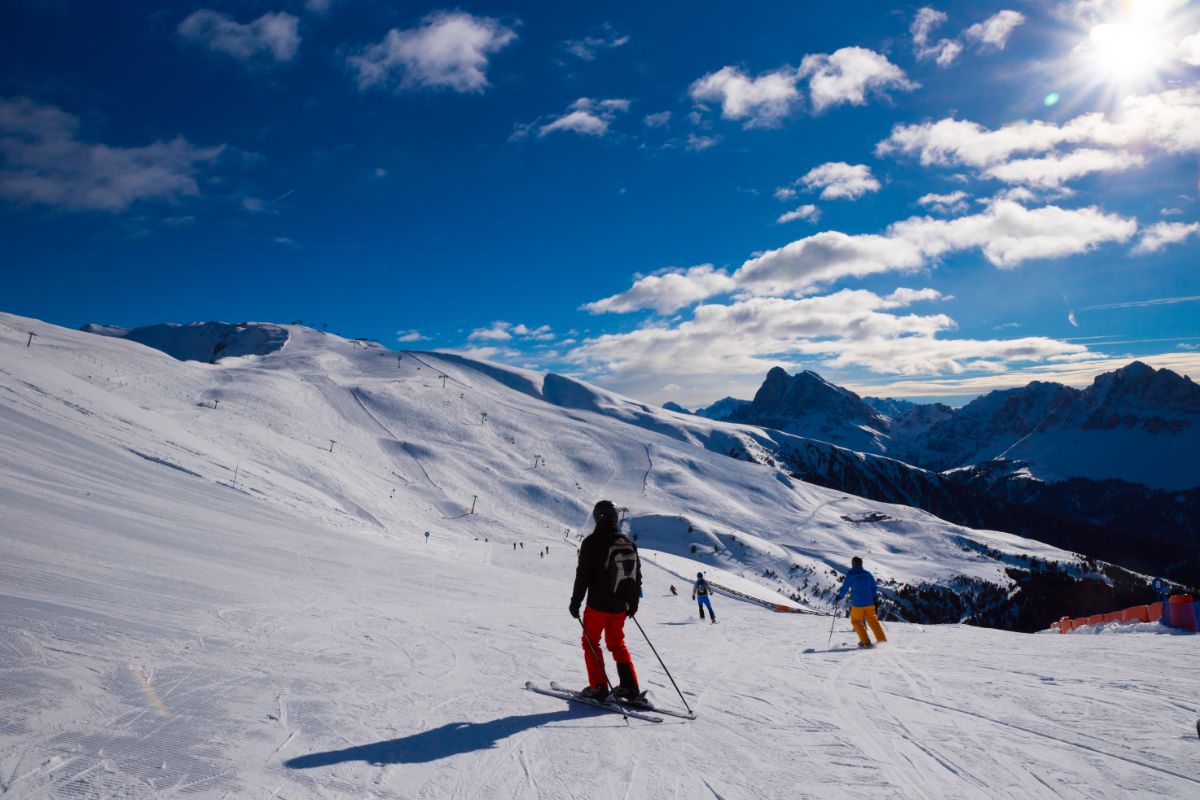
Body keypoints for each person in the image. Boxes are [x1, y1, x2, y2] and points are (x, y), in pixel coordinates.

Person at [569, 500, 643, 702]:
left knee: (591, 643)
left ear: (597, 517)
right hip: (620, 606)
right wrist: (633, 604)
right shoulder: (627, 543)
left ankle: (599, 687)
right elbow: (637, 577)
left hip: (597, 606)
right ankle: (630, 686)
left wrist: (575, 602)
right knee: (617, 644)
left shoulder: (591, 542)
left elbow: (582, 576)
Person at [834, 556, 887, 648]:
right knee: (873, 622)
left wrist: (839, 596)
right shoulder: (867, 574)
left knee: (856, 621)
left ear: (853, 564)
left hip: (858, 604)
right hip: (870, 603)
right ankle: (882, 641)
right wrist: (874, 599)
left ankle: (865, 641)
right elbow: (873, 587)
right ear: (861, 564)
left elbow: (845, 587)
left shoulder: (851, 574)